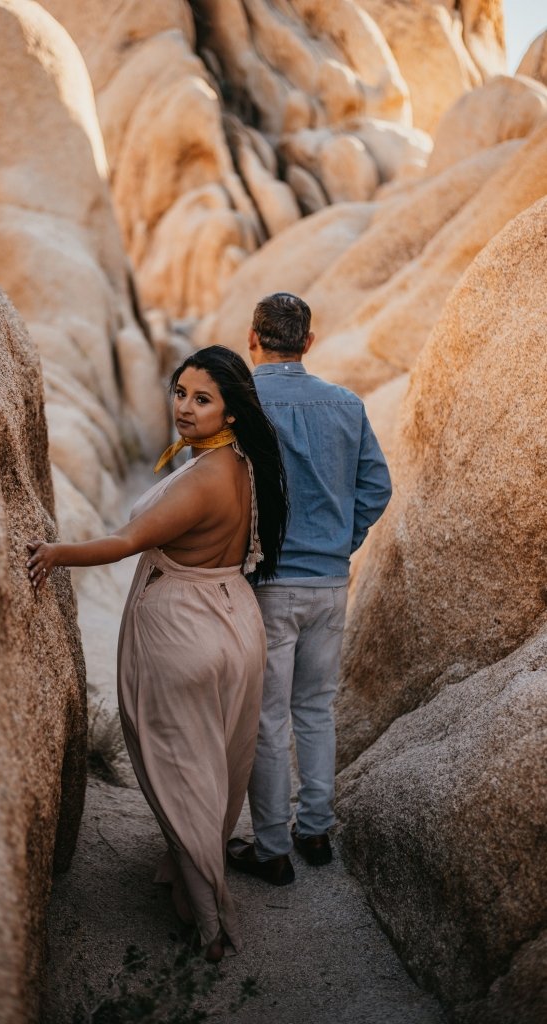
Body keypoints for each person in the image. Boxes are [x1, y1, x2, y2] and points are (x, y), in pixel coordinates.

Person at [27, 346, 288, 961]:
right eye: (180, 393)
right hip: (232, 619)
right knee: (214, 766)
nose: (185, 409)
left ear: (231, 408)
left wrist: (54, 553)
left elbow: (125, 542)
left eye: (203, 399)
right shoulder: (246, 462)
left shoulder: (206, 478)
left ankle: (209, 924)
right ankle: (194, 874)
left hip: (185, 632)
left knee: (180, 772)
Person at [227, 293, 392, 886]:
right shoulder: (346, 405)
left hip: (267, 584)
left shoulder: (239, 407)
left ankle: (271, 847)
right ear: (309, 342)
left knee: (269, 717)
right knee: (316, 709)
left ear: (253, 338)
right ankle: (315, 828)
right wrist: (340, 542)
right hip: (329, 582)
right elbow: (377, 484)